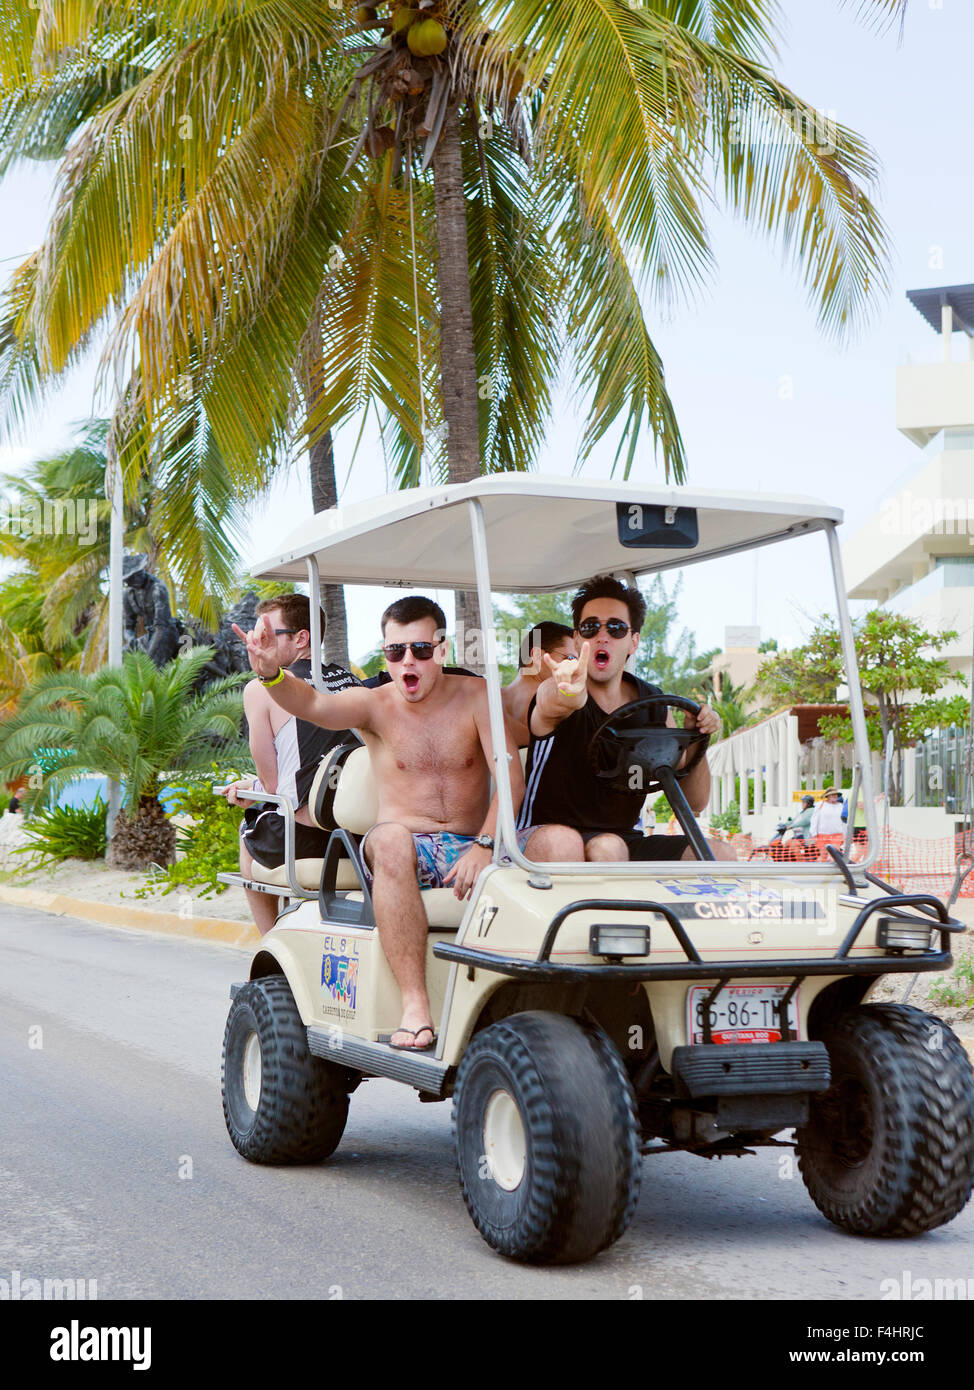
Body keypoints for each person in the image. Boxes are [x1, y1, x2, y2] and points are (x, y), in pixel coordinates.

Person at [234, 595, 525, 1051]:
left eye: (421, 650)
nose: (408, 661)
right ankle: (415, 1005)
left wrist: (485, 845)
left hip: (480, 843)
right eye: (395, 652)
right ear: (386, 655)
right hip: (412, 849)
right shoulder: (374, 705)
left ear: (442, 650)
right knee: (388, 841)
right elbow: (312, 704)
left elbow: (509, 777)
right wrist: (271, 674)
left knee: (562, 843)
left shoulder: (477, 696)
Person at [517, 575, 734, 863]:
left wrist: (695, 737)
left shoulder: (654, 705)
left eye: (616, 628)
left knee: (719, 854)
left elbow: (695, 802)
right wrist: (571, 694)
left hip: (622, 839)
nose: (602, 636)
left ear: (633, 642)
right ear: (579, 638)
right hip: (543, 837)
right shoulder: (554, 690)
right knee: (596, 847)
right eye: (590, 627)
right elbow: (554, 701)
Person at [221, 594, 361, 935]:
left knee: (247, 832)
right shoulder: (352, 682)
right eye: (255, 638)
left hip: (307, 838)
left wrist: (249, 788)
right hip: (359, 838)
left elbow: (271, 787)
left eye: (266, 637)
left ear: (301, 638)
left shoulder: (260, 689)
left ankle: (270, 944)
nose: (256, 646)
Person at [502, 621, 576, 747]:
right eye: (570, 659)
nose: (575, 668)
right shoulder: (560, 703)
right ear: (536, 655)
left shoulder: (485, 699)